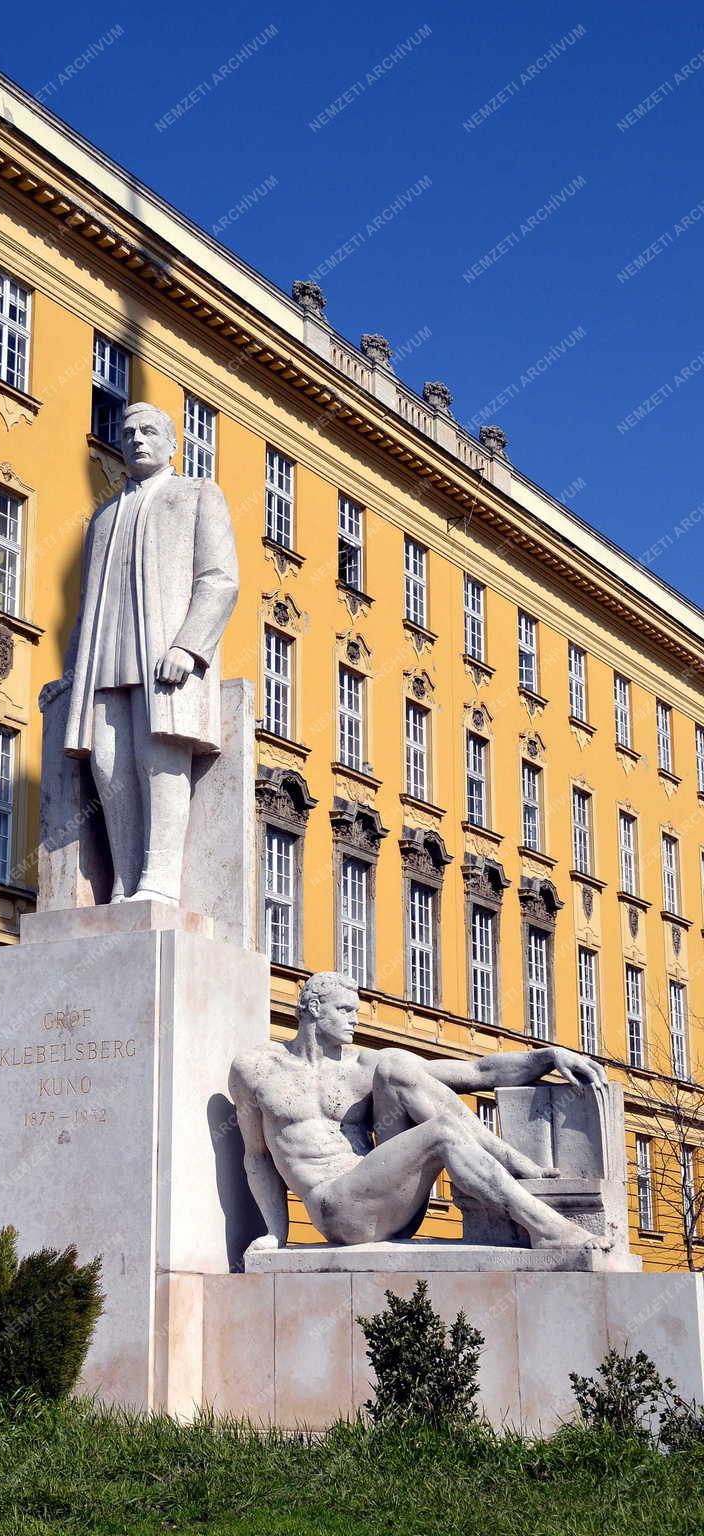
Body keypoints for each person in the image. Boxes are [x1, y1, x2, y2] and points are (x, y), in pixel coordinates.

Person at [229, 971, 608, 1253]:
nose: (355, 1019)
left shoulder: (360, 1067)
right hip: (339, 1210)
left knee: (396, 1065)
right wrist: (275, 1234)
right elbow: (256, 1156)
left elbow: (477, 1072)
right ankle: (545, 1228)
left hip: (393, 1201)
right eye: (344, 1010)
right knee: (442, 1130)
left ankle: (516, 1165)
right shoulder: (258, 1069)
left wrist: (547, 1057)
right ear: (312, 1007)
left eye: (355, 1011)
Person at [39, 403, 239, 905]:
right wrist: (71, 672)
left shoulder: (196, 496)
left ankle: (161, 880)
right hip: (107, 651)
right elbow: (86, 605)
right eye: (127, 433)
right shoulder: (103, 516)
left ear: (174, 444)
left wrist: (189, 646)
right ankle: (128, 881)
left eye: (149, 431)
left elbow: (219, 580)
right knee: (106, 764)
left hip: (165, 653)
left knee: (158, 759)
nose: (136, 440)